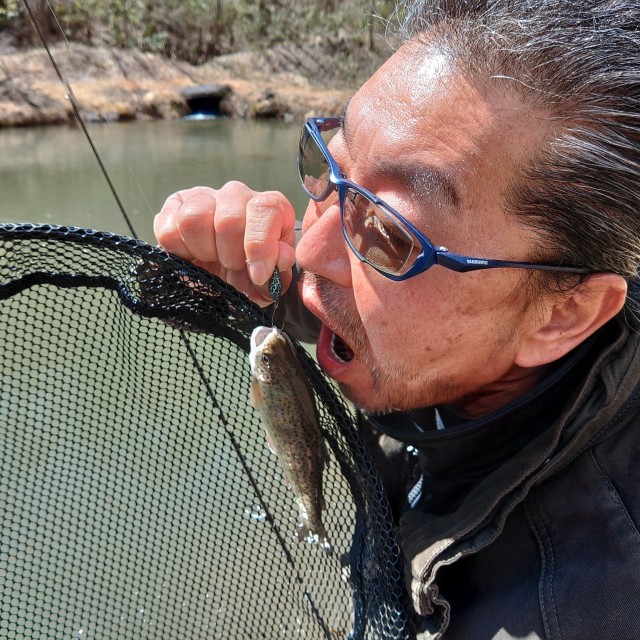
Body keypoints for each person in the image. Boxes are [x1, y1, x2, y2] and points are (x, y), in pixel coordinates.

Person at [154, 0, 640, 637]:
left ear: (562, 315)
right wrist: (237, 272)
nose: (310, 251)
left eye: (388, 234)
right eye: (330, 167)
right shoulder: (466, 339)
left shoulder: (585, 608)